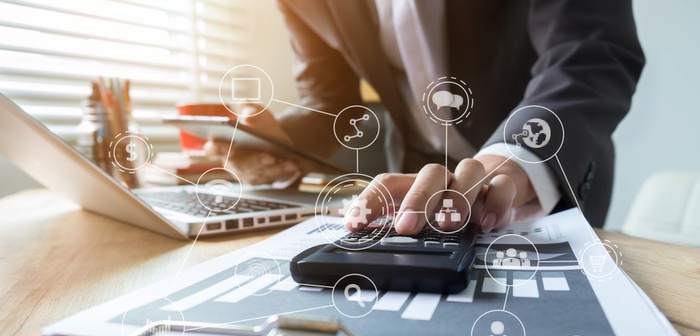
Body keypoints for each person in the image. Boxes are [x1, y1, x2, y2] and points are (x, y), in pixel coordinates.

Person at [212, 0, 644, 234]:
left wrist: (513, 157)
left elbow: (590, 52)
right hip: (417, 182)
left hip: (545, 174)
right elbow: (331, 103)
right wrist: (274, 139)